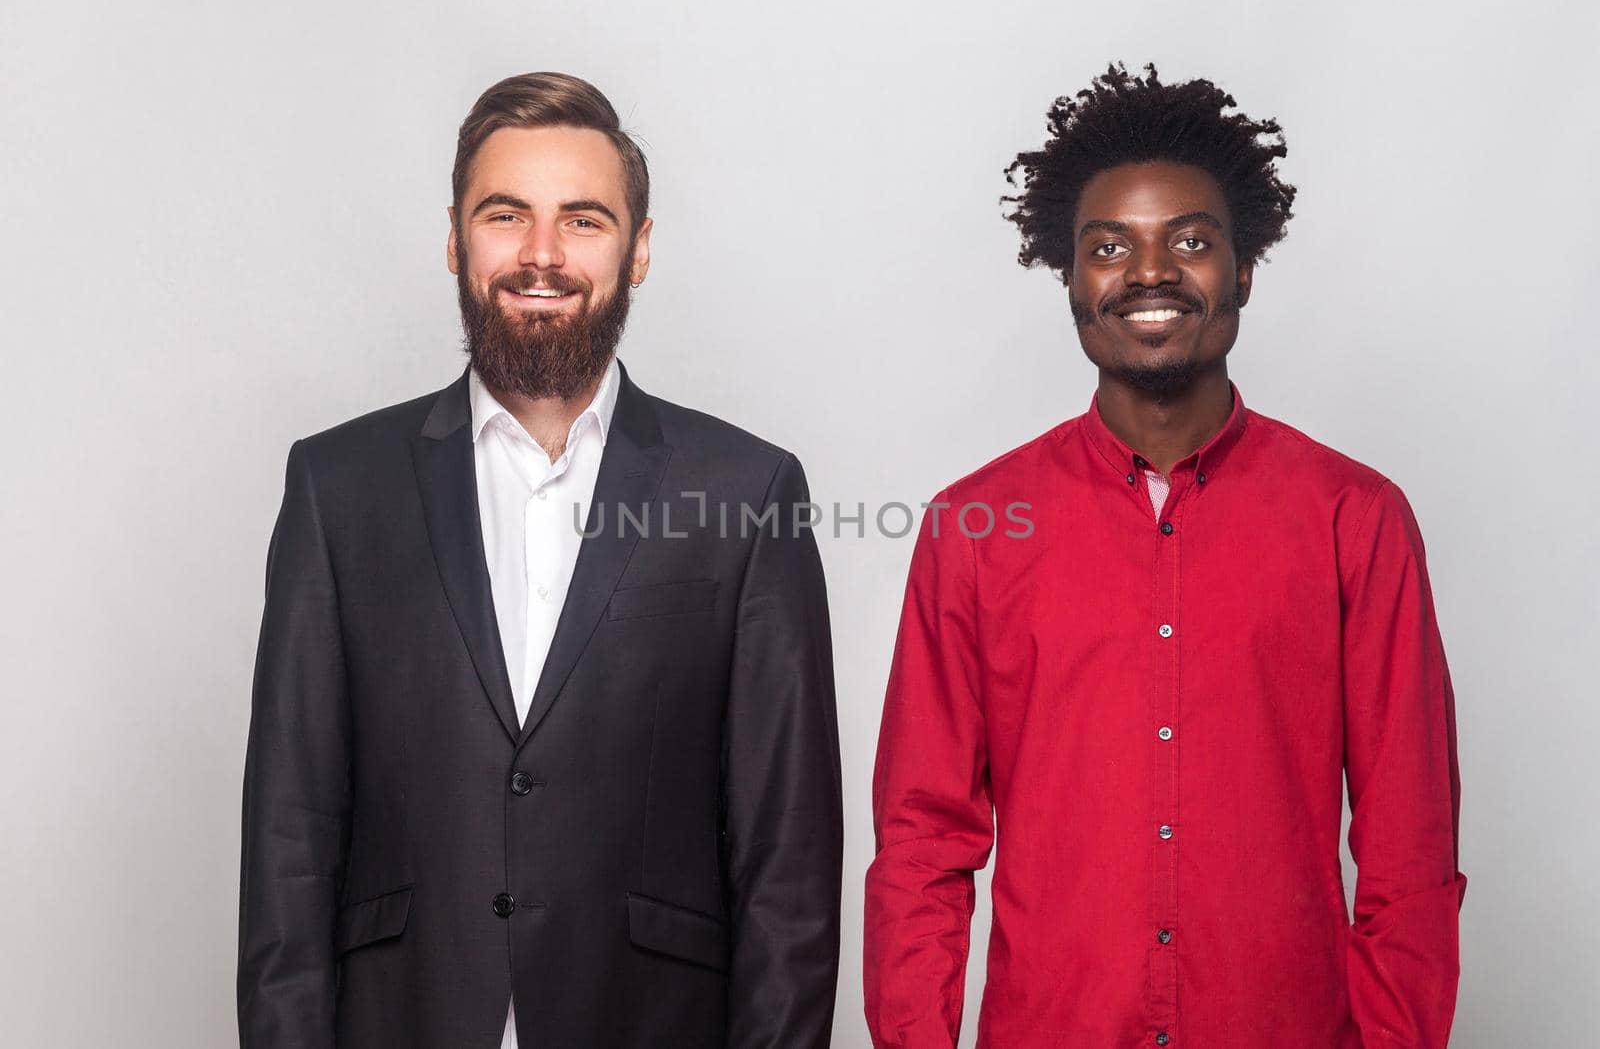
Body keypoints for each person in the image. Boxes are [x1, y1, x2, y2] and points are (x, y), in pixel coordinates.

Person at [864, 63, 1464, 1048]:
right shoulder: (971, 526)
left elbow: (1409, 850)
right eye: (1109, 246)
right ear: (1068, 276)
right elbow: (922, 847)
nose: (1150, 272)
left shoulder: (1354, 518)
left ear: (1243, 268)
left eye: (1189, 239)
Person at [238, 71, 843, 1048]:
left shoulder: (747, 491)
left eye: (584, 219)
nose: (541, 255)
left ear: (638, 248)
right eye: (505, 214)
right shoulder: (337, 486)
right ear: (453, 237)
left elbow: (789, 865)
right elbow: (289, 840)